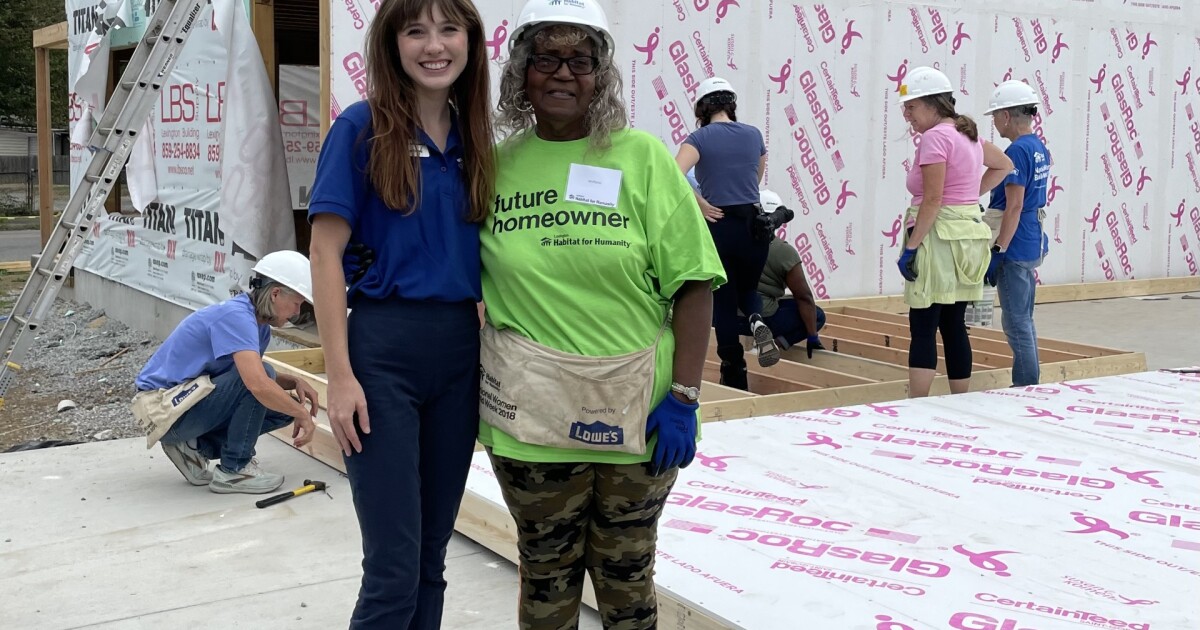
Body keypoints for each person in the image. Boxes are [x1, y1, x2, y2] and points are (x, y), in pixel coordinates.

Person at [481, 1, 725, 628]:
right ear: (522, 72)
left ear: (603, 74)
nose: (563, 73)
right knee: (545, 572)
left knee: (626, 575)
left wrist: (685, 397)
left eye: (580, 60)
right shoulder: (493, 166)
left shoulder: (642, 159)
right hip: (531, 419)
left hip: (639, 413)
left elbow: (695, 284)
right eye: (546, 58)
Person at [306, 0, 496, 626]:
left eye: (448, 29)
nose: (433, 45)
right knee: (392, 567)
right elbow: (325, 251)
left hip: (459, 357)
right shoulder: (362, 129)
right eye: (415, 30)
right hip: (383, 353)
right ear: (392, 44)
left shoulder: (478, 141)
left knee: (431, 563)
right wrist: (339, 374)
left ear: (470, 41)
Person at [131, 250, 318, 494]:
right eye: (297, 303)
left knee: (282, 408)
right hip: (161, 409)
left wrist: (293, 382)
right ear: (275, 294)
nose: (296, 312)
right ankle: (234, 471)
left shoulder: (257, 325)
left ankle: (194, 446)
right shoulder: (236, 317)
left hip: (181, 405)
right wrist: (302, 414)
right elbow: (255, 383)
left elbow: (245, 380)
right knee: (265, 381)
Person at [896, 66, 1013, 398]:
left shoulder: (935, 138)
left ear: (933, 104)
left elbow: (932, 198)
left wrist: (911, 247)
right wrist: (968, 194)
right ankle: (961, 400)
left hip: (937, 240)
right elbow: (1003, 164)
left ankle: (917, 403)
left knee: (923, 325)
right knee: (953, 324)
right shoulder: (967, 134)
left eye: (912, 106)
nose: (907, 115)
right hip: (967, 238)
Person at [674, 75, 776, 390]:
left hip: (719, 224)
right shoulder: (753, 134)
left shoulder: (699, 138)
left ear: (702, 107)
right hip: (754, 225)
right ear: (731, 104)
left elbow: (672, 174)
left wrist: (701, 203)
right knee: (748, 290)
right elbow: (757, 177)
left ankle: (734, 370)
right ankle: (757, 319)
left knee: (723, 298)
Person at [983, 80, 1051, 387]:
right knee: (1023, 316)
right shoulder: (1037, 146)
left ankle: (1025, 384)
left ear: (1008, 116)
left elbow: (1014, 206)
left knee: (1016, 320)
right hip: (1030, 240)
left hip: (1014, 245)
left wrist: (998, 250)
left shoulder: (1017, 150)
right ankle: (1028, 379)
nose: (994, 121)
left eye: (996, 114)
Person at [736, 190, 827, 359]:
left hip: (727, 318)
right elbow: (804, 297)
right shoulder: (783, 252)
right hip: (762, 320)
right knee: (817, 315)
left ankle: (760, 344)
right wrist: (812, 336)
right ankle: (771, 345)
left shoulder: (732, 241)